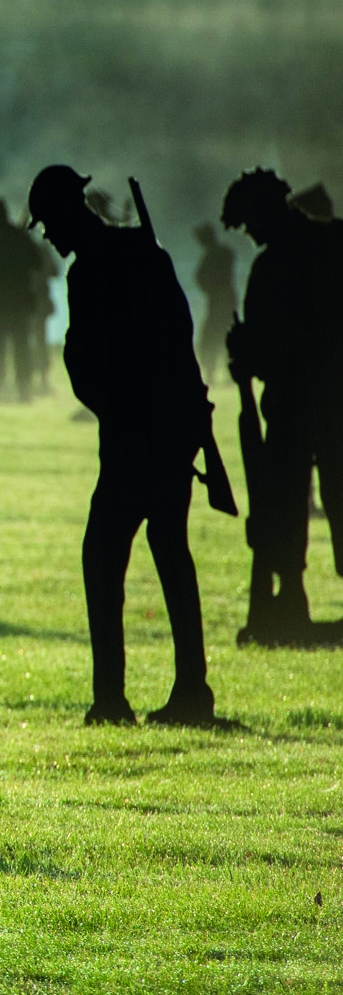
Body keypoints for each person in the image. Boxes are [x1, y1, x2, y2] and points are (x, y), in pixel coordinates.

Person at [28, 164, 221, 728]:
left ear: (67, 212)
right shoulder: (146, 256)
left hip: (133, 438)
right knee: (170, 552)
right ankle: (191, 691)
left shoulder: (90, 273)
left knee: (103, 557)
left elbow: (86, 364)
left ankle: (112, 698)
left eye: (49, 224)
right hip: (167, 431)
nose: (49, 237)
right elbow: (179, 342)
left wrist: (117, 407)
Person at [220, 169, 343, 647]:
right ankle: (289, 598)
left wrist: (252, 349)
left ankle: (289, 599)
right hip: (299, 410)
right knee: (285, 509)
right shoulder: (326, 246)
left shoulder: (292, 261)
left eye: (251, 226)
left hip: (317, 407)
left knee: (294, 505)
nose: (251, 237)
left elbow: (286, 343)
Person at [0, 198, 43, 402]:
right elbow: (37, 263)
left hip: (4, 304)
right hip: (21, 302)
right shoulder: (20, 238)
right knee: (20, 347)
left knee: (0, 348)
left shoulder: (1, 241)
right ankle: (23, 391)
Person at [192, 221, 239, 381]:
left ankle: (216, 373)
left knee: (213, 337)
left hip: (220, 302)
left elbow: (200, 277)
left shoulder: (215, 255)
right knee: (223, 337)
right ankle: (223, 373)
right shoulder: (224, 252)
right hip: (224, 300)